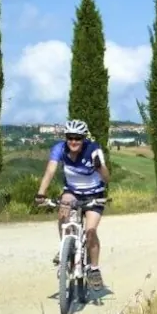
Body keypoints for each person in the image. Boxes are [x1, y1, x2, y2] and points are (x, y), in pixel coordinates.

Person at [34, 119, 110, 290]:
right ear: (66, 138)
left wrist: (100, 167)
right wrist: (41, 193)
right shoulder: (59, 149)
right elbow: (50, 171)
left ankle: (95, 269)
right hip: (73, 190)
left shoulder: (93, 149)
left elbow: (106, 178)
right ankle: (64, 248)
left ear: (83, 138)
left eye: (78, 138)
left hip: (94, 193)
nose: (74, 141)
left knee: (90, 232)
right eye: (70, 137)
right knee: (63, 209)